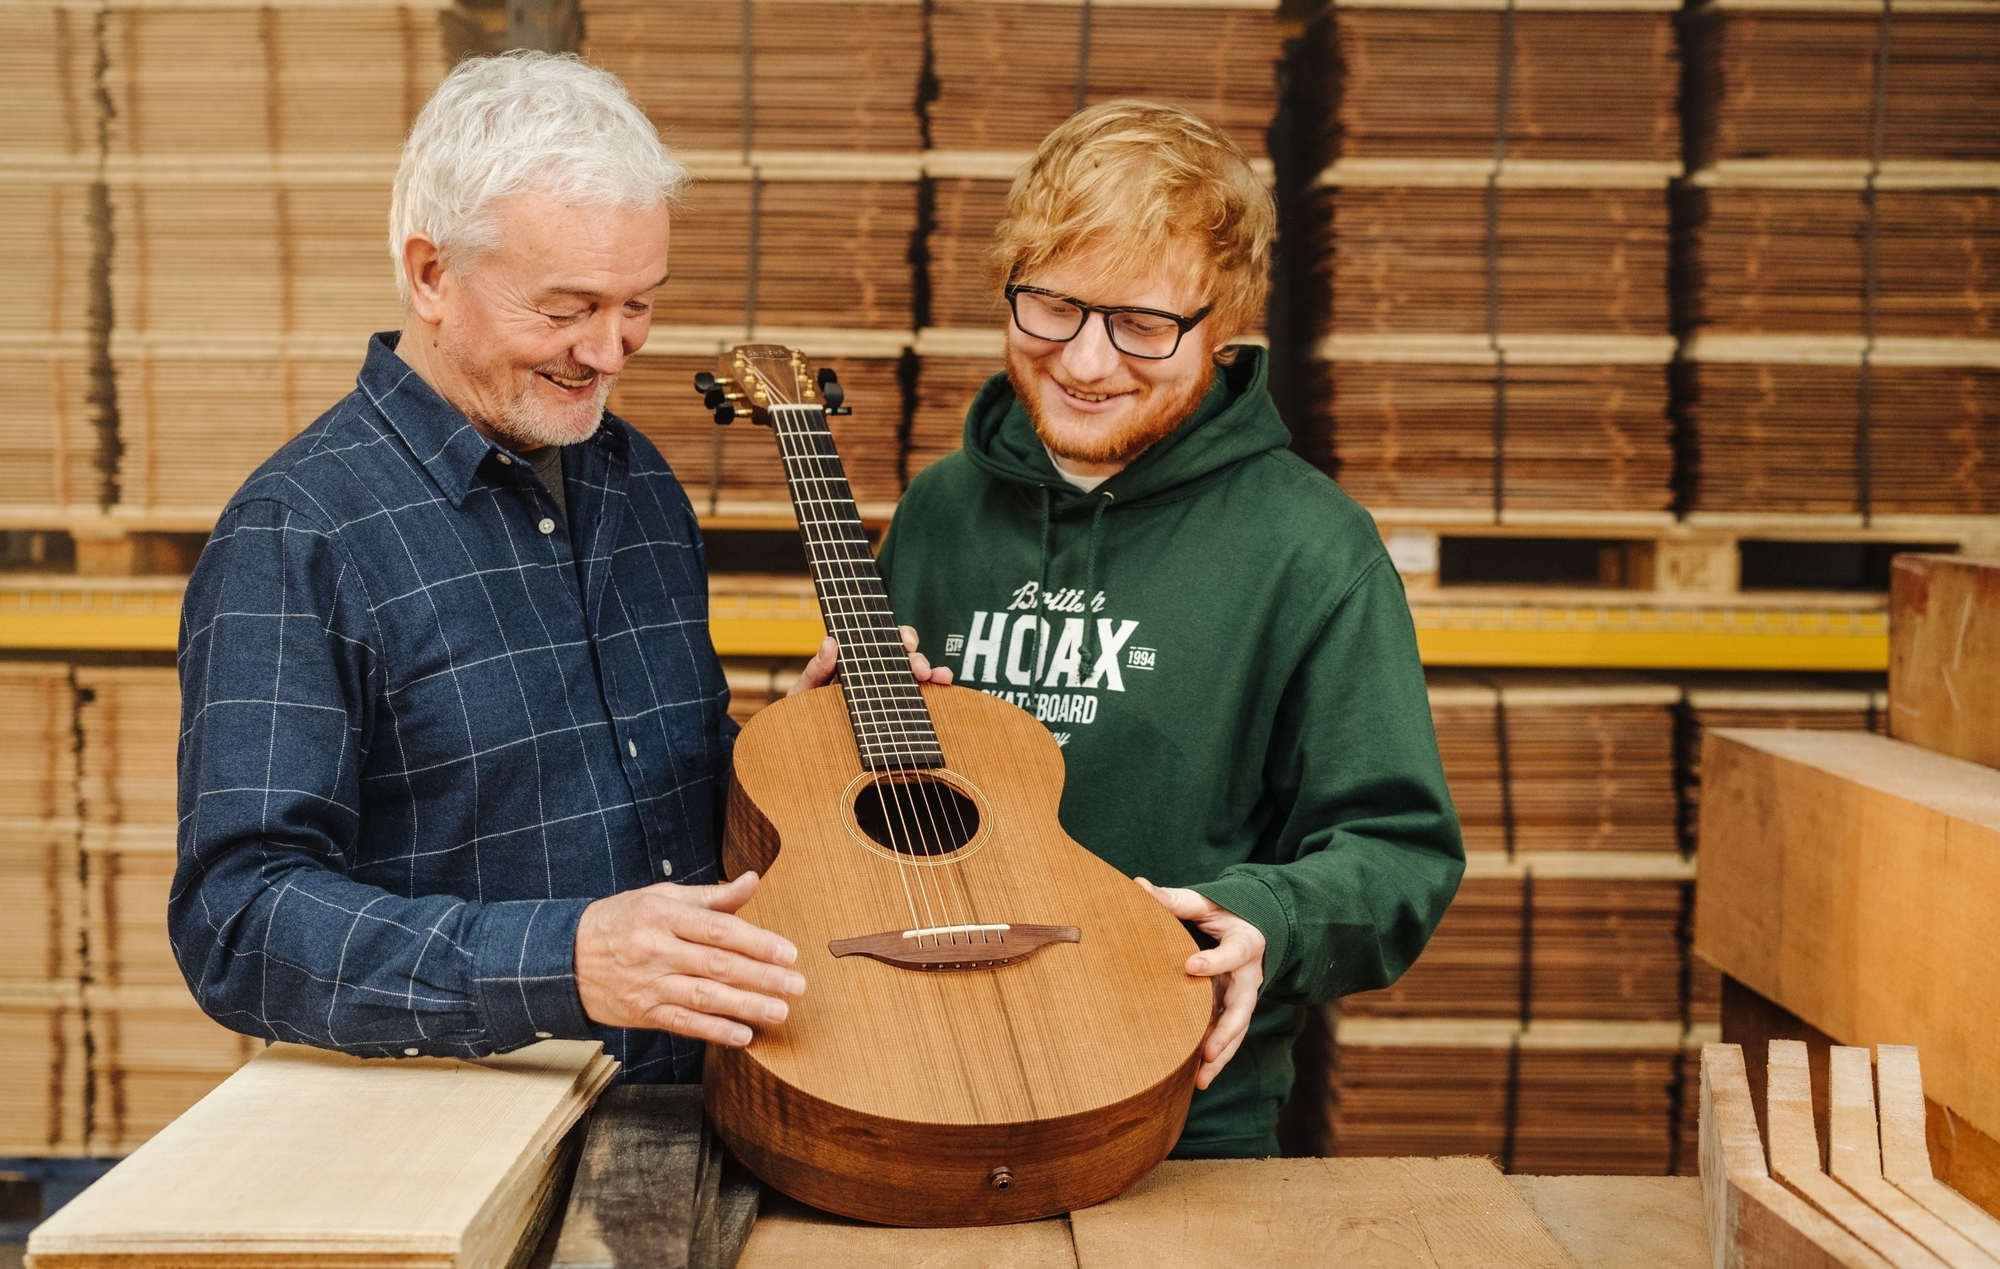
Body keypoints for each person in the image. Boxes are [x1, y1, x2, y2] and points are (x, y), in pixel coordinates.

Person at [170, 52, 942, 1080]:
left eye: (639, 304)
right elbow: (239, 922)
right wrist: (560, 962)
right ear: (431, 274)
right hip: (469, 1138)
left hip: (705, 1097)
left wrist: (793, 754)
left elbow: (652, 789)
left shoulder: (632, 479)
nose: (612, 350)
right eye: (567, 308)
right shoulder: (299, 533)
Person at [796, 101, 1465, 1157]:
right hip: (912, 1084)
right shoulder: (938, 512)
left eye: (1142, 325)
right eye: (1050, 306)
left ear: (1229, 315)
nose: (1087, 361)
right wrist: (817, 742)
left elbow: (1397, 855)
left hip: (1175, 1120)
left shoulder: (1310, 549)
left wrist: (1269, 919)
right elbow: (879, 815)